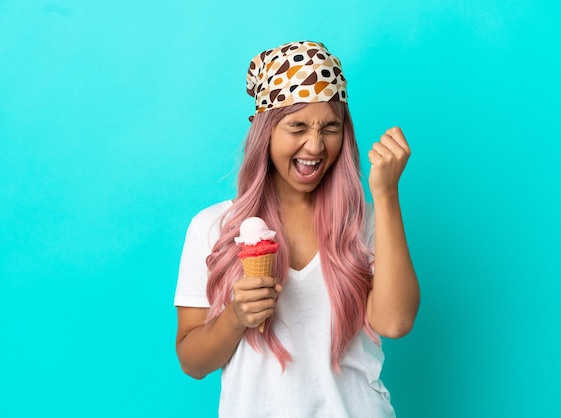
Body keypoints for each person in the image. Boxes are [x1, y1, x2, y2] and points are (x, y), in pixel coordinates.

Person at [174, 40, 419, 418]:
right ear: (266, 132)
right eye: (298, 126)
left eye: (331, 128)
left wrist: (385, 194)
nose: (316, 145)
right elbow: (193, 362)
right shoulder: (212, 228)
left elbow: (395, 321)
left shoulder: (364, 221)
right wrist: (236, 317)